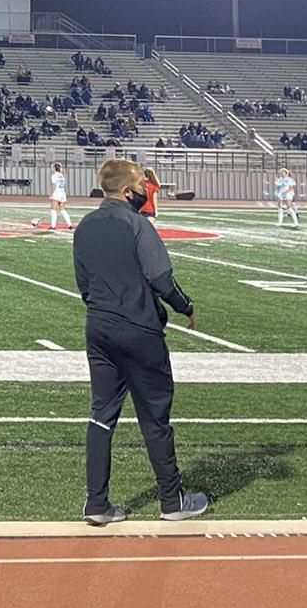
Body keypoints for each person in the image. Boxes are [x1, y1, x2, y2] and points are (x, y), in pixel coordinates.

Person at [74, 158, 208, 526]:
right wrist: (186, 307)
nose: (145, 190)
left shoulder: (84, 226)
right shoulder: (137, 225)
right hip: (139, 329)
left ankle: (96, 503)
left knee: (101, 415)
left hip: (99, 328)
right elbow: (161, 278)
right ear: (126, 190)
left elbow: (83, 284)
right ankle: (172, 500)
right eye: (140, 184)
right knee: (154, 416)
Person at [45, 164, 72, 232]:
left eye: (52, 167)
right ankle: (70, 225)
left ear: (54, 168)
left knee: (53, 209)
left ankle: (53, 226)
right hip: (62, 193)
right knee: (62, 210)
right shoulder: (61, 175)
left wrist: (52, 194)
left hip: (57, 193)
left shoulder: (54, 176)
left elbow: (54, 185)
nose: (51, 169)